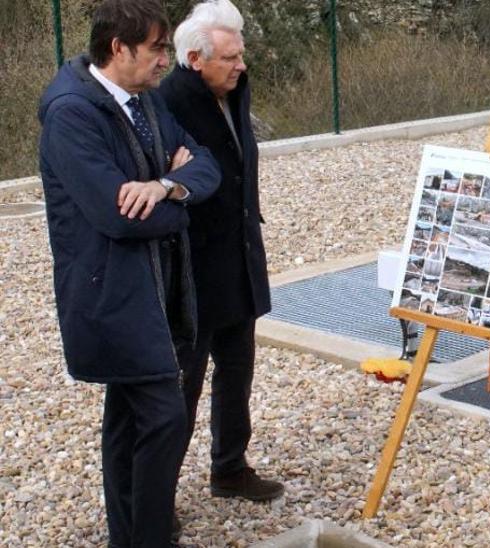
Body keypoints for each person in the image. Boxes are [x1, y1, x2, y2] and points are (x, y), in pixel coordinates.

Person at [37, 0, 220, 545]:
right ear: (118, 47)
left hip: (158, 286)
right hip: (112, 295)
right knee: (163, 415)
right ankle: (149, 535)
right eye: (157, 48)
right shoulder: (71, 113)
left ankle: (130, 535)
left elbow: (206, 164)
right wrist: (179, 199)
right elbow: (117, 216)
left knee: (127, 417)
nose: (166, 59)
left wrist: (165, 186)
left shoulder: (145, 103)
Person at [159, 0, 280, 501]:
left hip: (239, 257)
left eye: (240, 54)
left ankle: (229, 467)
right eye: (229, 58)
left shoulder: (234, 93)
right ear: (195, 59)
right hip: (193, 268)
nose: (240, 65)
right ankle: (157, 494)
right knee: (181, 387)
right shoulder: (167, 103)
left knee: (238, 368)